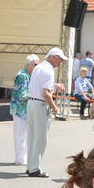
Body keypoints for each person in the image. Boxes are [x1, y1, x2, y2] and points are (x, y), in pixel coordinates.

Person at [25, 47, 67, 178]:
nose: (60, 62)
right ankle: (34, 168)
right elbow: (45, 93)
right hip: (40, 104)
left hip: (31, 103)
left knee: (32, 136)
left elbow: (40, 85)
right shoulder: (49, 70)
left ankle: (30, 166)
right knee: (40, 138)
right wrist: (54, 107)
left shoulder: (39, 67)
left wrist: (55, 85)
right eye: (60, 59)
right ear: (54, 57)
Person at [9, 54, 37, 166]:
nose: (37, 67)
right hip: (20, 110)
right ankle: (20, 158)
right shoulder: (23, 76)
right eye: (35, 64)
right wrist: (36, 94)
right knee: (20, 135)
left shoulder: (29, 75)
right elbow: (22, 95)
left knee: (25, 134)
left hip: (25, 109)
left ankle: (24, 157)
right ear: (29, 65)